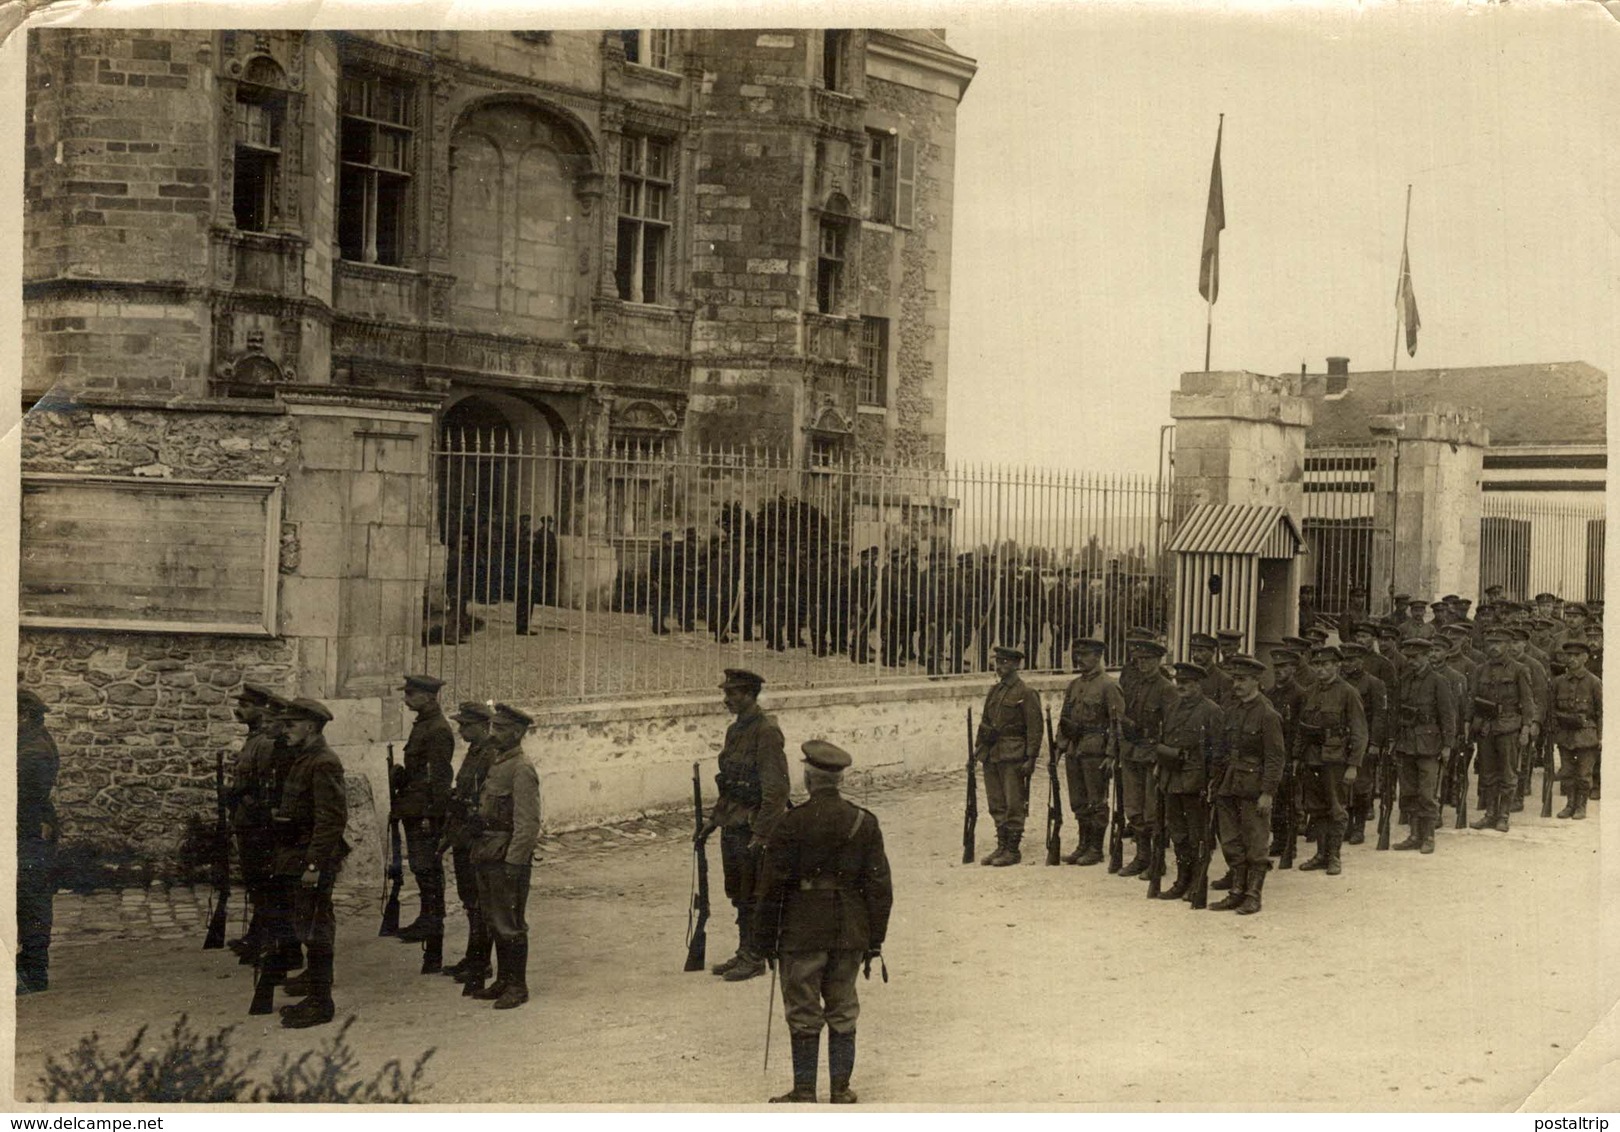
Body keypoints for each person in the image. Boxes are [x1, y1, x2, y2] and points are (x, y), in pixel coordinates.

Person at [754, 740, 893, 1105]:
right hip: (850, 931)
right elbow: (880, 888)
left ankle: (804, 1091)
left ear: (808, 779)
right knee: (843, 1006)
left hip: (802, 930)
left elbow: (770, 888)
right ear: (840, 779)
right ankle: (841, 1090)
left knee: (803, 1009)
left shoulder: (790, 823)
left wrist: (764, 942)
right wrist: (874, 941)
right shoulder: (864, 822)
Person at [698, 668, 791, 981]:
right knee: (738, 890)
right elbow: (729, 784)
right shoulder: (735, 731)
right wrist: (713, 820)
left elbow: (776, 790)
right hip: (733, 824)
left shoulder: (766, 731)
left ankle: (755, 956)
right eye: (726, 693)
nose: (727, 700)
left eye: (733, 694)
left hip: (753, 826)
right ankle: (744, 950)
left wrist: (763, 833)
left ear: (751, 695)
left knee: (755, 892)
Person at [271, 698, 348, 1029]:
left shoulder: (323, 762)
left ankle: (321, 1002)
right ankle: (316, 992)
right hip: (298, 853)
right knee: (310, 923)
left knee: (315, 926)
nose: (284, 730)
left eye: (291, 725)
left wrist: (314, 866)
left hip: (312, 857)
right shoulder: (305, 759)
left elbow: (331, 820)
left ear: (311, 727)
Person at [469, 704, 541, 1009]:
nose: (493, 733)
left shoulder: (521, 768)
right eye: (493, 727)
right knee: (493, 919)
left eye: (500, 729)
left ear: (517, 733)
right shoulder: (497, 762)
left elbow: (528, 823)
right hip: (487, 851)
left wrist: (515, 863)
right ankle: (502, 979)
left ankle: (517, 985)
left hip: (506, 857)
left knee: (510, 922)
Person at [1209, 656, 1286, 915]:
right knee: (1231, 840)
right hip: (1229, 784)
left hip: (1253, 786)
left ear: (1257, 680)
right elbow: (1221, 750)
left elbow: (1275, 757)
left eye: (1242, 679)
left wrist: (1268, 792)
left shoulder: (1267, 713)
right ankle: (1236, 891)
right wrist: (1215, 781)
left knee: (1256, 841)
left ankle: (1253, 895)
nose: (1237, 684)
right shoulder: (1231, 710)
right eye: (1234, 679)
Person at [227, 683, 290, 964]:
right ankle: (257, 935)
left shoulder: (264, 743)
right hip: (248, 822)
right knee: (256, 884)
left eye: (246, 705)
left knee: (264, 884)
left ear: (262, 710)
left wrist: (242, 798)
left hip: (258, 825)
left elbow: (264, 788)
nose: (239, 710)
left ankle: (265, 940)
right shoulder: (254, 738)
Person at [394, 675, 455, 959]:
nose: (406, 698)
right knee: (420, 866)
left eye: (411, 693)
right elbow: (420, 771)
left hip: (425, 811)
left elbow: (440, 778)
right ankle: (427, 916)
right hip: (414, 807)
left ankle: (433, 920)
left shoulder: (438, 729)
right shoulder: (424, 725)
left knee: (428, 866)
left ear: (428, 697)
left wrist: (433, 814)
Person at [1293, 645, 1367, 875]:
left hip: (1336, 759)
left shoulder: (1348, 692)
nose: (1321, 669)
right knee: (1316, 808)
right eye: (1317, 664)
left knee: (1337, 808)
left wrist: (1354, 765)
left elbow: (1359, 731)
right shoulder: (1309, 692)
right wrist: (1297, 756)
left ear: (1337, 666)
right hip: (1312, 758)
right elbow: (1301, 728)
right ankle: (1321, 854)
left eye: (1326, 664)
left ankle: (1334, 856)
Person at [440, 701, 498, 994]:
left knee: (478, 902)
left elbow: (485, 799)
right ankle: (473, 956)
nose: (461, 730)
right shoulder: (474, 752)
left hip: (476, 837)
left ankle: (481, 961)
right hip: (463, 835)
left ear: (483, 726)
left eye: (466, 725)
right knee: (468, 899)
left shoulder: (490, 755)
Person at [1154, 662, 1224, 900]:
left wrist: (1213, 781)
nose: (1180, 686)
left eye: (1186, 683)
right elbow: (1165, 739)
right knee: (1178, 834)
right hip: (1171, 779)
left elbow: (1218, 751)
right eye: (1178, 682)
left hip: (1196, 783)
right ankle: (1182, 879)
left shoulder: (1211, 711)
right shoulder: (1172, 707)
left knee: (1198, 835)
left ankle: (1197, 880)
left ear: (1198, 684)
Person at [1055, 637, 1125, 866]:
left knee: (1097, 799)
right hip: (1075, 750)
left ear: (1098, 656)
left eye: (1085, 655)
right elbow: (1064, 720)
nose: (1079, 659)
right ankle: (1082, 844)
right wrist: (1059, 747)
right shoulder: (1074, 685)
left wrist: (1111, 755)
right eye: (1078, 654)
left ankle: (1096, 848)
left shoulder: (1109, 685)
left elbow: (1117, 724)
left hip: (1096, 748)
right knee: (1078, 800)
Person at [973, 645, 1044, 866]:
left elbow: (1035, 728)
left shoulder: (1026, 693)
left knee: (1014, 801)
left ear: (1016, 665)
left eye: (1005, 663)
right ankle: (1001, 845)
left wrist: (1031, 758)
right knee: (996, 800)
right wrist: (977, 751)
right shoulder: (995, 691)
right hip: (992, 753)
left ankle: (1013, 850)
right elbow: (985, 723)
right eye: (998, 662)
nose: (1000, 667)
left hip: (1013, 753)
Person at [1391, 639, 1457, 854]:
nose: (1412, 661)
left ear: (1427, 656)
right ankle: (1414, 834)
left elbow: (1448, 716)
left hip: (1429, 745)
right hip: (1406, 743)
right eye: (1409, 657)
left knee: (1427, 794)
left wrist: (1448, 745)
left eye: (1416, 657)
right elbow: (1396, 712)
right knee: (1409, 792)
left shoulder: (1439, 681)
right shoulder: (1404, 680)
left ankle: (1428, 836)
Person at [1469, 628, 1537, 833]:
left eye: (1499, 643)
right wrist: (1469, 725)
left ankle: (1503, 816)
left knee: (1508, 773)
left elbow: (1527, 702)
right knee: (1488, 773)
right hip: (1486, 728)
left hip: (1509, 726)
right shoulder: (1480, 670)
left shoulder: (1519, 669)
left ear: (1508, 645)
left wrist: (1526, 729)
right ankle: (1490, 814)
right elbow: (1472, 699)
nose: (1494, 647)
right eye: (1490, 643)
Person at [1118, 640, 1174, 878]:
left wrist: (1162, 758)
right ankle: (1142, 857)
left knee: (1153, 810)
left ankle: (1157, 860)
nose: (1143, 664)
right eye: (1139, 660)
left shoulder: (1166, 689)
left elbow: (1171, 726)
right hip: (1132, 753)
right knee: (1134, 807)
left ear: (1158, 661)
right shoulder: (1132, 685)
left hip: (1152, 754)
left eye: (1148, 660)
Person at [17, 689, 60, 995]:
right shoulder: (32, 741)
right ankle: (30, 964)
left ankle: (35, 971)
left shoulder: (33, 751)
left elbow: (19, 794)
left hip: (30, 831)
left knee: (32, 900)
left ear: (23, 715)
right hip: (31, 828)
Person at [1339, 643, 1388, 846]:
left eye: (1352, 660)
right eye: (1345, 660)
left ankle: (1359, 827)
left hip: (1364, 739)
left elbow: (1379, 715)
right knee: (1344, 785)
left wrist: (1375, 743)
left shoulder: (1374, 683)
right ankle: (1347, 825)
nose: (1348, 664)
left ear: (1362, 661)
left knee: (1361, 785)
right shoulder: (1340, 682)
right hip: (1343, 741)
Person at [1550, 641, 1601, 820]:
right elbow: (1552, 710)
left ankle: (1581, 806)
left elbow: (1602, 712)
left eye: (1576, 656)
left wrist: (1601, 737)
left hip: (1587, 735)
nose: (1571, 659)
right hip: (1565, 735)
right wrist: (1555, 731)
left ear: (1585, 658)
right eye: (1569, 655)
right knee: (1567, 771)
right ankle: (1570, 805)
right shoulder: (1558, 682)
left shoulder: (1594, 683)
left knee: (1584, 774)